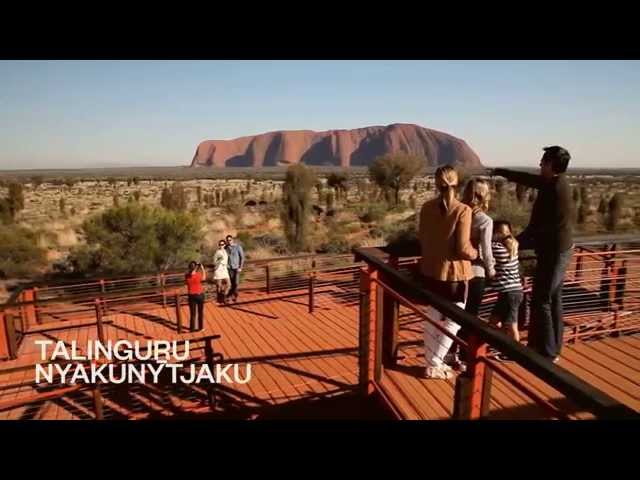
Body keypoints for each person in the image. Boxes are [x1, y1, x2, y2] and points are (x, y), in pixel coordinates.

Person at [492, 146, 573, 362]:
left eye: (543, 161)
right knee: (552, 298)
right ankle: (552, 348)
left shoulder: (554, 191)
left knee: (542, 299)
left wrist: (515, 240)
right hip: (557, 250)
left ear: (551, 165)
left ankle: (544, 351)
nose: (539, 164)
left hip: (555, 252)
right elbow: (529, 179)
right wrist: (504, 172)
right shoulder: (556, 182)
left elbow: (538, 227)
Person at [418, 165, 478, 379]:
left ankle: (430, 362)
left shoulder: (426, 208)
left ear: (436, 183)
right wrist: (475, 253)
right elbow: (463, 248)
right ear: (457, 183)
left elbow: (423, 238)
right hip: (455, 274)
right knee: (454, 320)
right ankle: (435, 364)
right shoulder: (463, 210)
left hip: (431, 271)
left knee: (432, 316)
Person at [447, 178, 496, 367]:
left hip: (455, 272)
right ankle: (467, 357)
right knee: (470, 318)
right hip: (476, 274)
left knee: (454, 315)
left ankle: (450, 353)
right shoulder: (484, 220)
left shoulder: (456, 212)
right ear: (483, 195)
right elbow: (486, 252)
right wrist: (492, 271)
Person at [488, 220, 524, 357]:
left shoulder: (498, 248)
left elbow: (484, 245)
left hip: (510, 293)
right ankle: (499, 345)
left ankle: (516, 354)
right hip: (510, 292)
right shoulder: (512, 246)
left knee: (511, 325)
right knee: (493, 322)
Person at [185, 261, 206, 331]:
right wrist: (202, 268)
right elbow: (204, 278)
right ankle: (201, 328)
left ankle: (192, 328)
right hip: (199, 295)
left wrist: (195, 268)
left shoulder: (186, 276)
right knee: (200, 312)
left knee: (192, 314)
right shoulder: (198, 275)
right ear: (195, 267)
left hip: (191, 295)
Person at [225, 234, 245, 302]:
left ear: (232, 240)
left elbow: (242, 258)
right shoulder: (226, 248)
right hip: (229, 268)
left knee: (236, 283)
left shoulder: (238, 247)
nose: (229, 241)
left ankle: (229, 296)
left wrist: (240, 267)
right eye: (227, 240)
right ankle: (235, 296)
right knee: (232, 283)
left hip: (236, 268)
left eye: (230, 240)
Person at [213, 239, 231, 304]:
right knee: (219, 285)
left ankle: (224, 296)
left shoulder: (226, 251)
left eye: (222, 244)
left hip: (224, 269)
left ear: (224, 245)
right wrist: (219, 260)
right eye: (220, 244)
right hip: (218, 269)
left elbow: (227, 260)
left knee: (229, 284)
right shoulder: (217, 252)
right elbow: (214, 262)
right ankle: (219, 299)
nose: (221, 246)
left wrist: (227, 265)